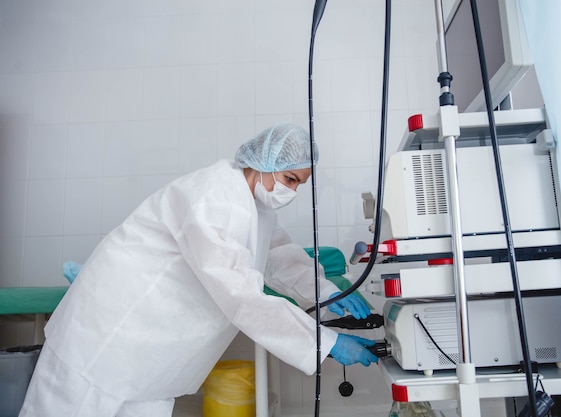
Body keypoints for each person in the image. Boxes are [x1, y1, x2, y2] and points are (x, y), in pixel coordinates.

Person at [19, 122, 379, 417]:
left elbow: (280, 254)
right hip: (104, 339)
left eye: (300, 183)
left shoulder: (256, 207)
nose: (294, 191)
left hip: (150, 358)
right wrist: (325, 343)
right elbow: (241, 296)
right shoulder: (215, 197)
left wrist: (327, 292)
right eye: (290, 179)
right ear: (264, 162)